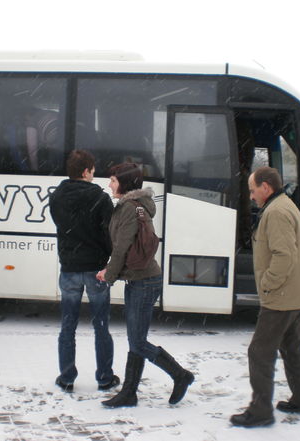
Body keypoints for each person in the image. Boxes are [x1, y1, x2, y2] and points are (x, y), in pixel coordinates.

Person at [97, 162, 194, 408]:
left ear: (125, 183)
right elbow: (124, 248)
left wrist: (109, 276)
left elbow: (121, 248)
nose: (110, 184)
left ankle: (180, 375)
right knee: (136, 339)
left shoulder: (130, 208)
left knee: (138, 341)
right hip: (141, 279)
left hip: (144, 281)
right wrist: (110, 271)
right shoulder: (134, 206)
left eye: (114, 180)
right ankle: (129, 393)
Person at [231, 166, 300, 428]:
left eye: (252, 189)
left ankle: (260, 411)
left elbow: (284, 256)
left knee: (259, 353)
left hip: (281, 296)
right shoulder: (285, 204)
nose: (251, 195)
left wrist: (267, 284)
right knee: (292, 349)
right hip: (296, 293)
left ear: (265, 187)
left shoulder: (277, 212)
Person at [49, 150, 119, 392]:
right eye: (92, 169)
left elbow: (60, 225)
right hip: (96, 270)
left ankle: (67, 377)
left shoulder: (57, 196)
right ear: (86, 171)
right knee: (101, 326)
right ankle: (104, 377)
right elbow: (110, 234)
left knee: (67, 327)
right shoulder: (100, 199)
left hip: (69, 269)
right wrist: (108, 258)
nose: (94, 173)